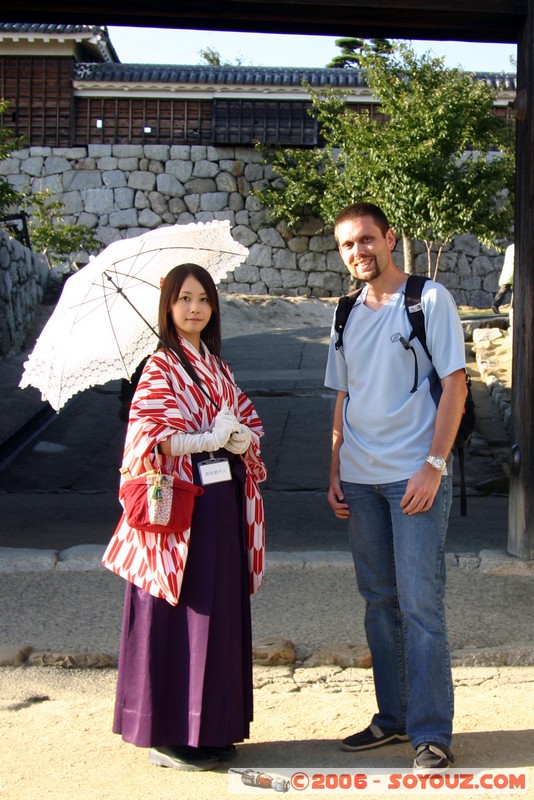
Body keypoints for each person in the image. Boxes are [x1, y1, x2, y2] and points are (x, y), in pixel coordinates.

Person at [105, 263, 267, 772]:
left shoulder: (217, 367)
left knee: (217, 609)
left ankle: (212, 726)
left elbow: (248, 419)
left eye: (202, 298)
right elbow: (148, 439)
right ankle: (169, 732)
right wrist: (208, 439)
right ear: (168, 306)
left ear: (213, 306)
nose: (194, 308)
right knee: (179, 612)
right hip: (176, 507)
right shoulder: (159, 366)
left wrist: (241, 437)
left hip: (220, 503)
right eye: (183, 299)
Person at [325, 202, 467, 771]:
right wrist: (332, 468)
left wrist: (434, 464)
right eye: (346, 245)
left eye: (366, 239)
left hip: (414, 478)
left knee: (421, 606)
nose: (358, 251)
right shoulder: (343, 312)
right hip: (359, 480)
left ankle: (431, 732)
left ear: (388, 238)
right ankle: (393, 717)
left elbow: (455, 385)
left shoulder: (428, 300)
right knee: (379, 603)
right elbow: (342, 395)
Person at [492, 243, 514, 314]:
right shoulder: (515, 248)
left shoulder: (510, 247)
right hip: (512, 271)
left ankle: (513, 306)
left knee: (505, 288)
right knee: (505, 288)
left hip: (508, 270)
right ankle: (495, 304)